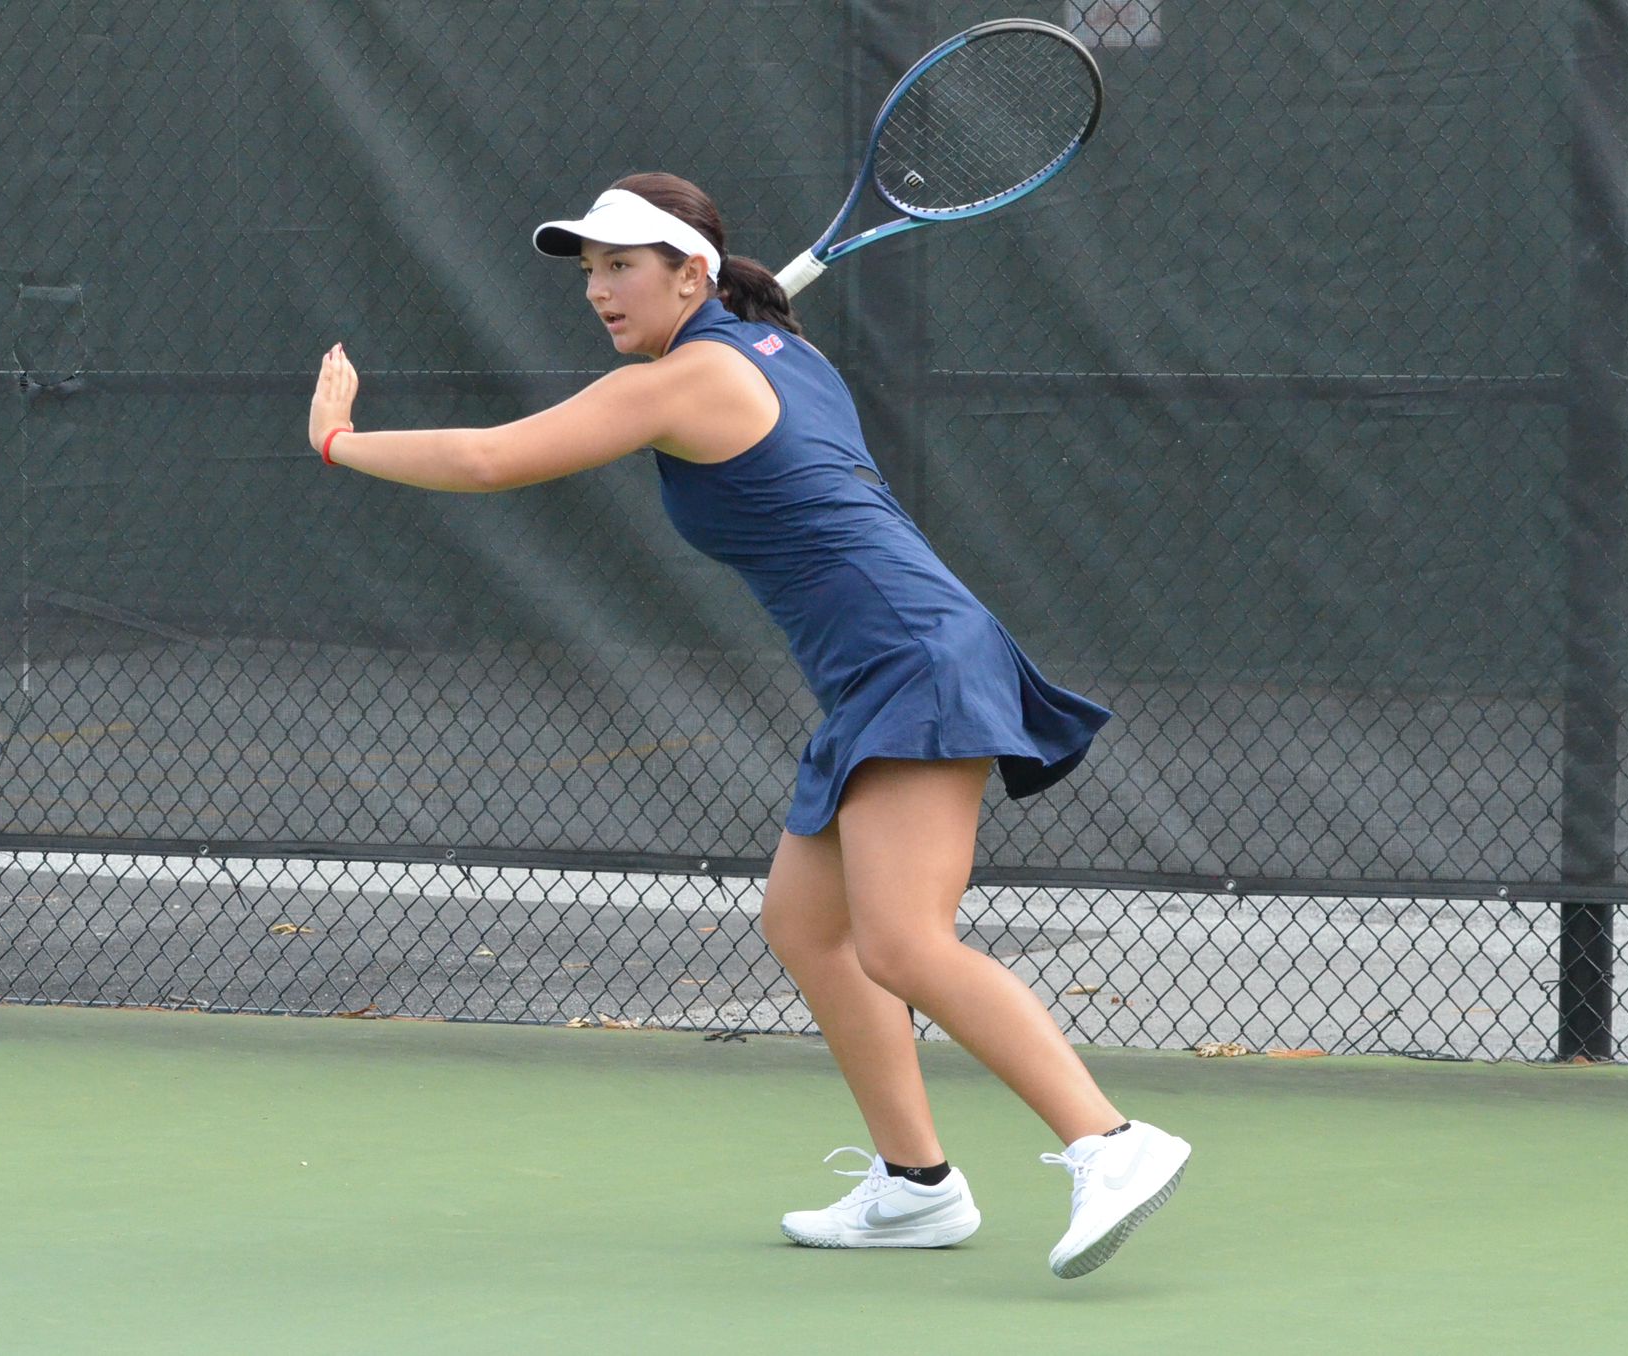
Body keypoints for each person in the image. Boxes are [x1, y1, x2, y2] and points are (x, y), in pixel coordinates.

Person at [307, 171, 1190, 1279]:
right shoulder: (784, 357)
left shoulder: (688, 381)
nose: (598, 291)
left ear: (693, 273)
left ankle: (1108, 1140)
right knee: (803, 925)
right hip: (878, 667)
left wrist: (339, 441)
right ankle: (915, 1187)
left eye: (623, 266)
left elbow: (492, 458)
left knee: (902, 939)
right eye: (589, 271)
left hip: (909, 659)